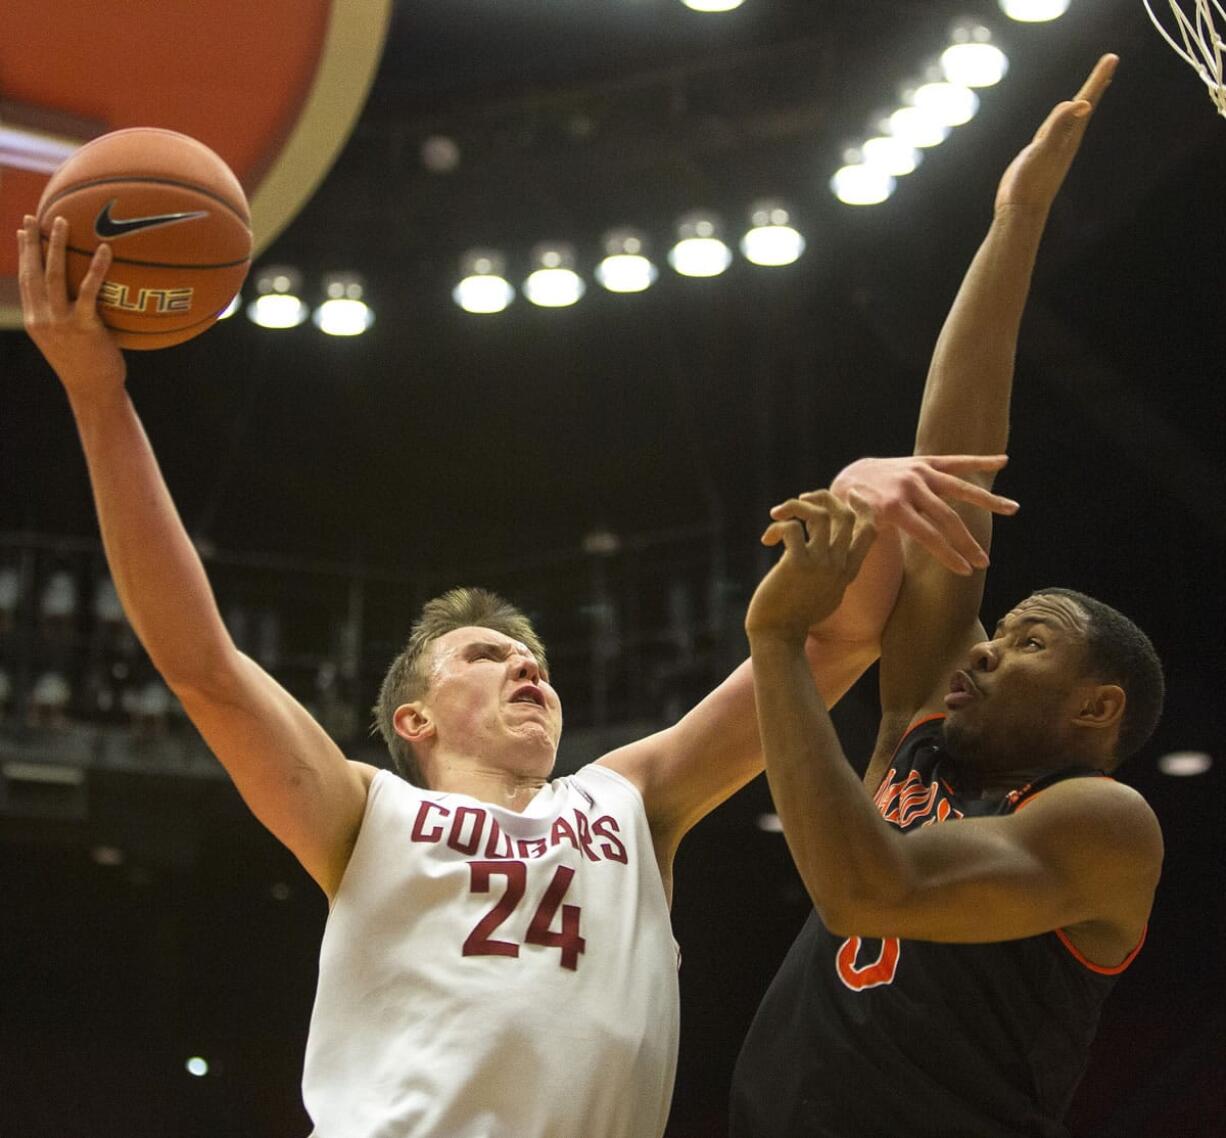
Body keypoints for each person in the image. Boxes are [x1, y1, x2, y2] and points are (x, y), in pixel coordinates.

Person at [16, 172, 1015, 1138]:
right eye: (485, 655)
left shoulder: (628, 796)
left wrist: (859, 503)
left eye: (533, 658)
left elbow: (835, 640)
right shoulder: (368, 812)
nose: (527, 667)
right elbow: (199, 661)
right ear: (413, 718)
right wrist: (100, 398)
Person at [731, 54, 1166, 1138]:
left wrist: (779, 644)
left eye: (1023, 641)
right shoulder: (923, 733)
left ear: (1094, 706)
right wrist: (1013, 219)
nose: (978, 649)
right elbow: (955, 462)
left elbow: (864, 892)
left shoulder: (1100, 823)